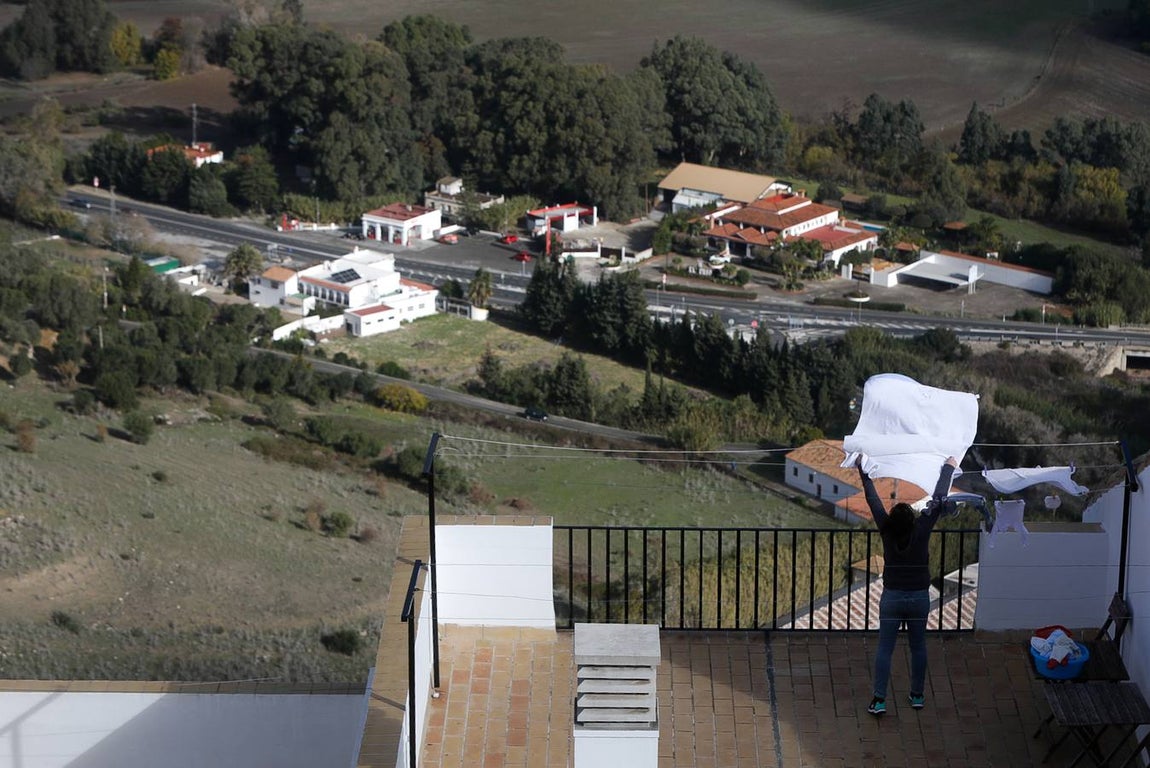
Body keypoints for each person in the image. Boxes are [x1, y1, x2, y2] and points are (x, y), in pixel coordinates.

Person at [858, 455, 958, 716]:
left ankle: (879, 700)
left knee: (885, 649)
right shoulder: (921, 529)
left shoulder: (886, 530)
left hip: (892, 597)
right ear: (912, 520)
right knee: (918, 647)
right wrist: (949, 467)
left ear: (892, 521)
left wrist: (862, 469)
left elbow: (872, 500)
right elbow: (938, 498)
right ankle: (917, 696)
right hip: (919, 598)